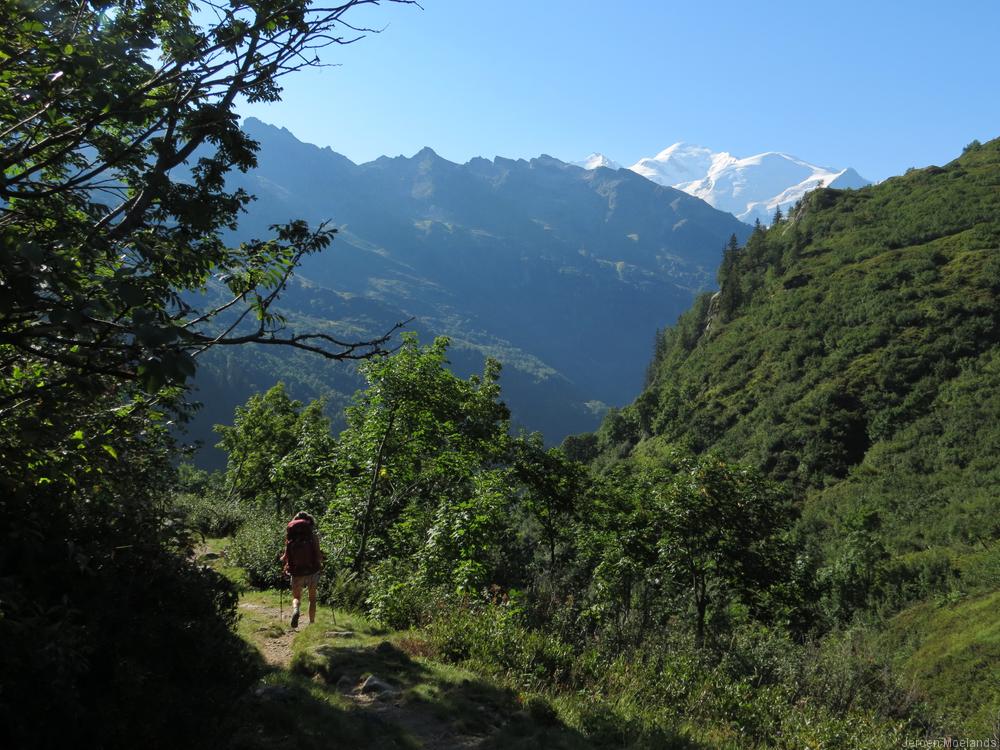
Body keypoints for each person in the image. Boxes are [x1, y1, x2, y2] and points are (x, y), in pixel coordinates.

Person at [280, 511, 324, 628]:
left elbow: (285, 557)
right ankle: (311, 624)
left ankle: (296, 610)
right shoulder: (313, 537)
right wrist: (322, 560)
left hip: (296, 571)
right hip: (312, 570)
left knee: (296, 597)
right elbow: (319, 556)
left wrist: (281, 560)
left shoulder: (291, 537)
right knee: (312, 598)